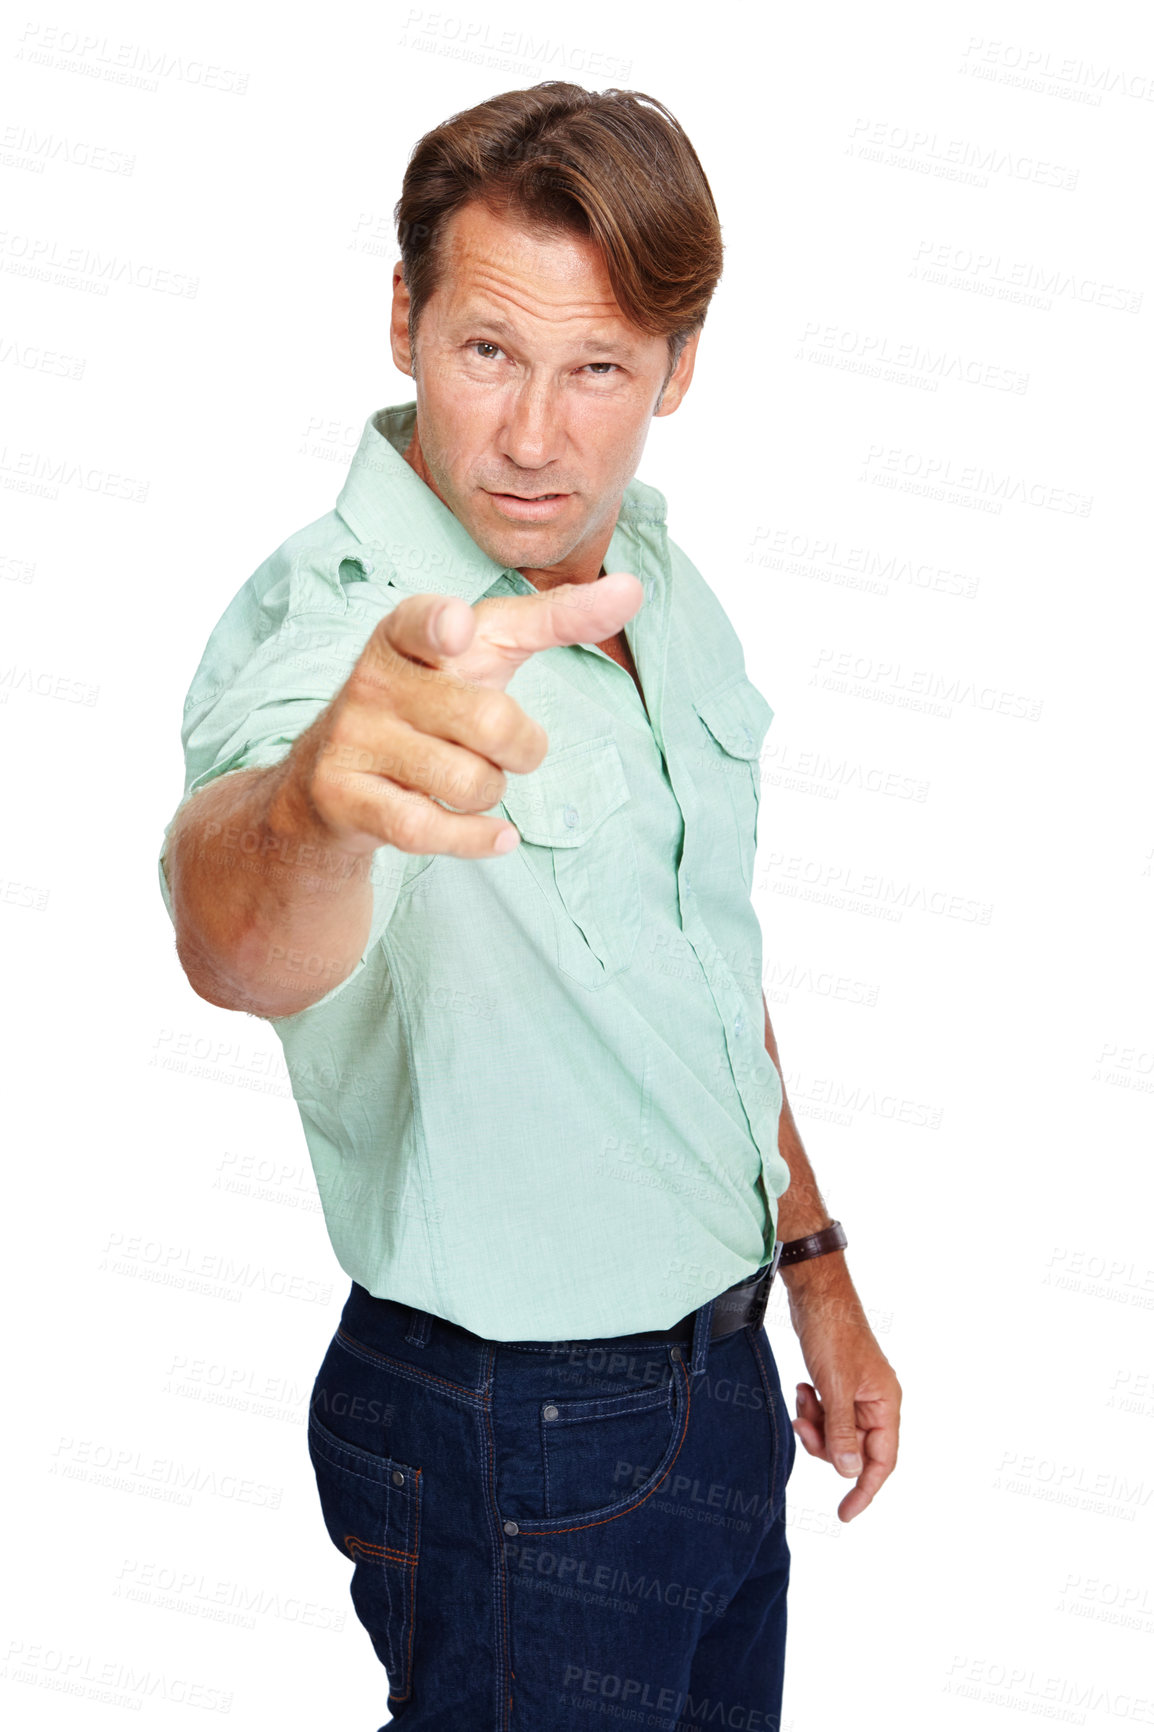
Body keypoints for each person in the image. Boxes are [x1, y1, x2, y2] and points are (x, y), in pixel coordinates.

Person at [158, 81, 901, 1732]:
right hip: (512, 1440)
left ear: (675, 372)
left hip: (719, 1380)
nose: (533, 437)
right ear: (406, 319)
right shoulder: (337, 626)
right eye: (488, 351)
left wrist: (815, 1265)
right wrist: (308, 807)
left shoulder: (642, 564)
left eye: (599, 371)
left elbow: (693, 953)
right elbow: (232, 930)